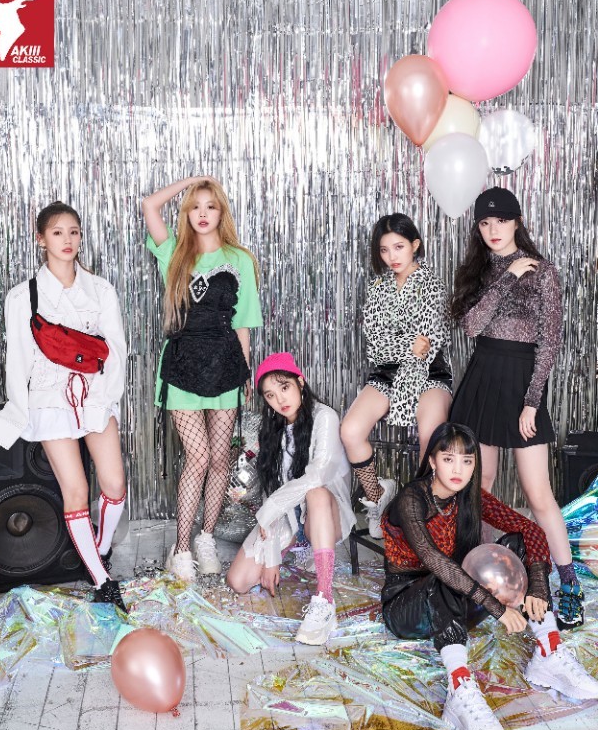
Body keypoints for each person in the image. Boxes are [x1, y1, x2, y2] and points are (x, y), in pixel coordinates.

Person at [381, 422, 598, 730]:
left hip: (459, 598)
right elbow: (435, 561)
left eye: (467, 461)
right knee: (444, 575)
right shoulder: (412, 500)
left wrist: (538, 587)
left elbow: (531, 530)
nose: (458, 469)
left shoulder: (469, 496)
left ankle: (548, 650)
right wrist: (496, 607)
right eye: (449, 459)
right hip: (408, 607)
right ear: (433, 461)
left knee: (518, 543)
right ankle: (460, 690)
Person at [0, 202, 128, 610]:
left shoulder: (101, 290)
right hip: (49, 399)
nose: (67, 240)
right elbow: (18, 360)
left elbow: (116, 350)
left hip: (95, 395)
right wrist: (20, 410)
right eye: (57, 232)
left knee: (114, 485)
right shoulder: (22, 296)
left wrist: (108, 397)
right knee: (76, 491)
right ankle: (102, 580)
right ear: (41, 239)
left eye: (74, 232)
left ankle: (99, 550)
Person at [450, 187, 582, 629]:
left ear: (517, 222)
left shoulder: (544, 273)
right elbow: (472, 326)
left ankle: (569, 585)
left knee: (538, 493)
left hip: (523, 382)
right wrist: (507, 276)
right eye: (485, 222)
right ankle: (480, 578)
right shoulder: (479, 271)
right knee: (480, 487)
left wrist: (531, 403)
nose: (493, 230)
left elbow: (550, 344)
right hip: (483, 379)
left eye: (502, 221)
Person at [143, 177, 262, 581]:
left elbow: (243, 322)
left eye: (211, 205)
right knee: (198, 456)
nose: (203, 213)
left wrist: (245, 371)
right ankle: (181, 549)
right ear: (187, 213)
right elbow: (149, 206)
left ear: (221, 212)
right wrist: (192, 182)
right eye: (195, 206)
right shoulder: (174, 253)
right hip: (182, 365)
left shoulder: (239, 258)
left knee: (219, 458)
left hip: (226, 363)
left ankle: (205, 538)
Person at [226, 352, 356, 645]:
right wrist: (271, 558)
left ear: (300, 382)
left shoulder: (324, 417)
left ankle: (324, 599)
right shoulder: (273, 429)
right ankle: (292, 549)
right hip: (288, 518)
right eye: (270, 395)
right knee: (238, 581)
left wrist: (270, 510)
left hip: (325, 515)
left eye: (284, 387)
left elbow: (317, 475)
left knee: (316, 492)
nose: (280, 400)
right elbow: (272, 491)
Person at [341, 213, 453, 539]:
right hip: (387, 373)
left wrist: (402, 344)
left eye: (399, 247)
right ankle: (378, 497)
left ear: (415, 245)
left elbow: (428, 345)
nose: (392, 256)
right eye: (384, 249)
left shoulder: (432, 286)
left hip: (430, 372)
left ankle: (422, 514)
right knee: (350, 431)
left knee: (430, 435)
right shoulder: (378, 288)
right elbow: (376, 347)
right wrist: (407, 344)